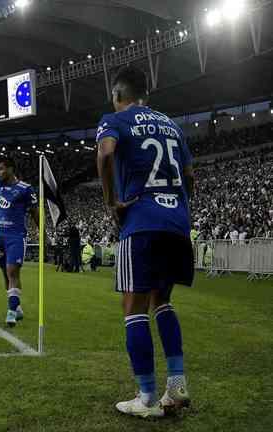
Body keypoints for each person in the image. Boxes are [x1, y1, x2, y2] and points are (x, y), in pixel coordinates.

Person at [96, 65, 195, 418]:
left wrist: (110, 202)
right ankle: (177, 385)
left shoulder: (115, 119)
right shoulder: (172, 125)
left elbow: (106, 154)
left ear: (116, 95)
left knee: (133, 307)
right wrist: (181, 207)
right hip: (177, 223)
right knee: (162, 301)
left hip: (141, 222)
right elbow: (189, 175)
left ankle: (148, 397)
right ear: (145, 96)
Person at [0, 124, 40, 327]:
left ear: (11, 169)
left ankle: (11, 312)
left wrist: (42, 231)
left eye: (2, 168)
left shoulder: (25, 189)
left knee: (13, 271)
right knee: (5, 272)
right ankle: (16, 306)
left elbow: (35, 212)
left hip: (15, 236)